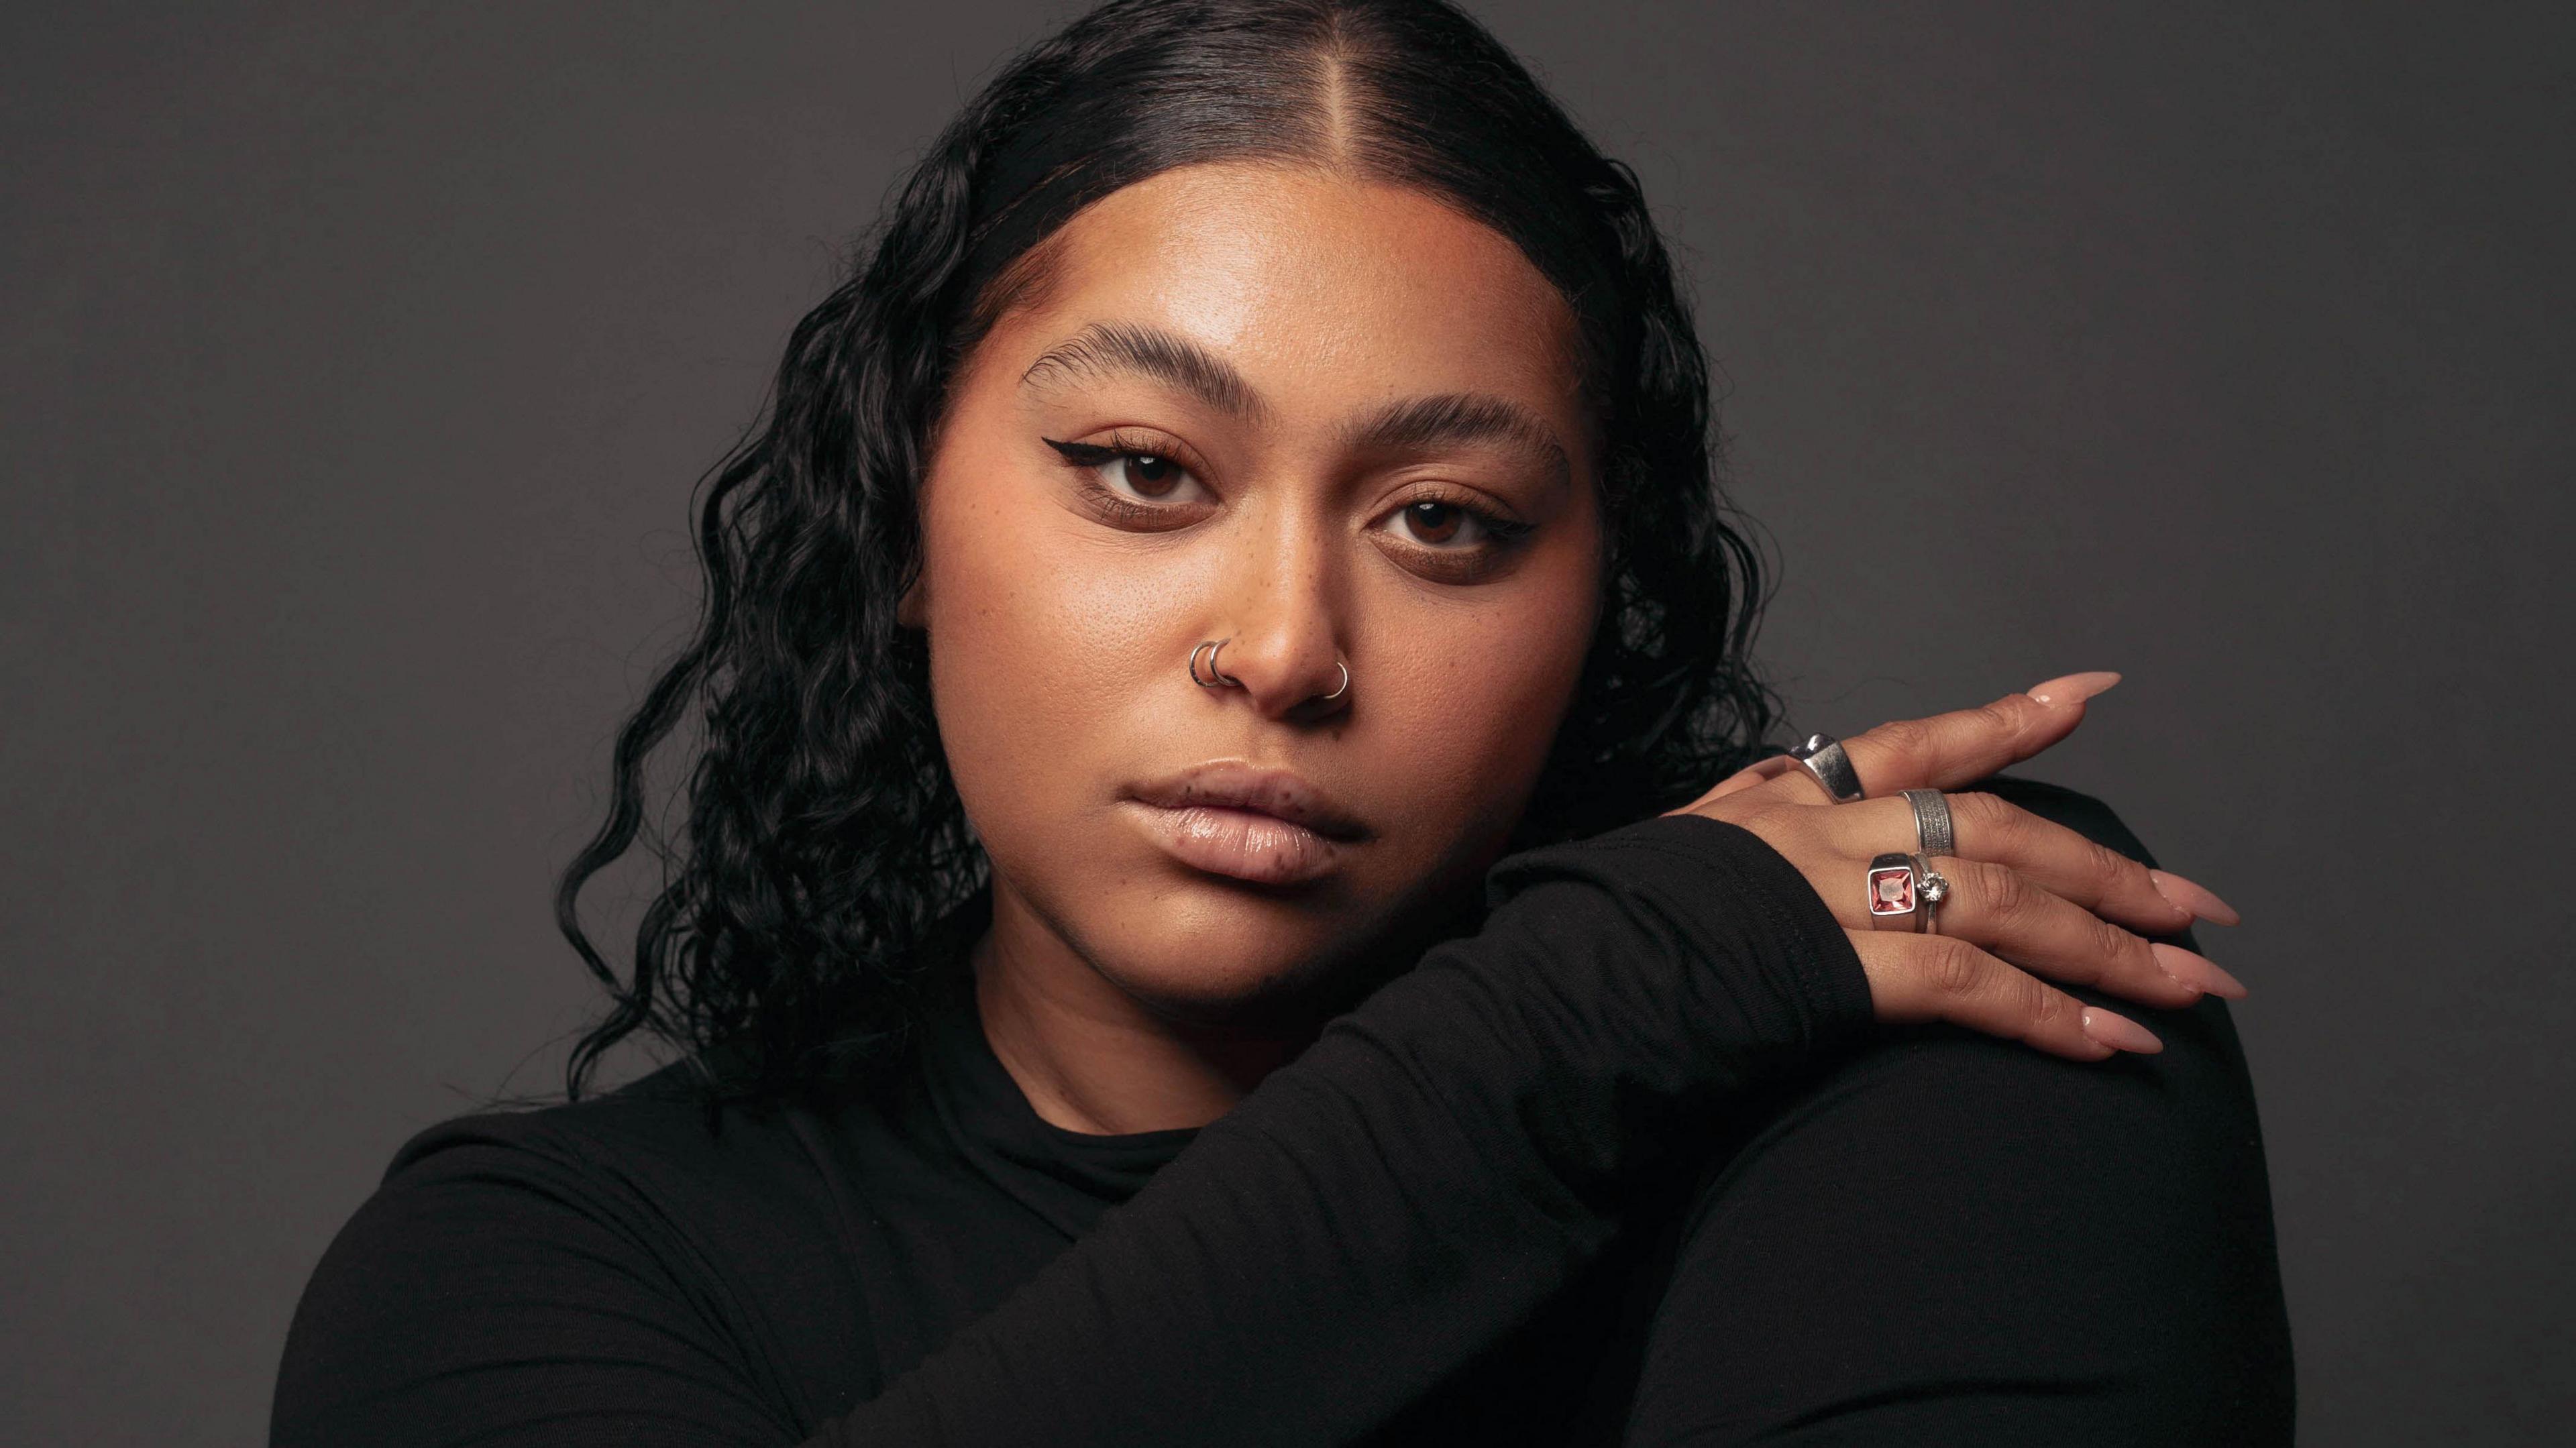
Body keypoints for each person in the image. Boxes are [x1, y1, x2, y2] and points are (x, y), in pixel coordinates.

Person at [268, 1, 2294, 1443]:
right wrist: (1587, 1002)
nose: (1284, 646)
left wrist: (1691, 973)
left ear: (1601, 602)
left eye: (1444, 521)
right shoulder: (535, 1273)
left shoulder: (1931, 980)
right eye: (1146, 470)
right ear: (901, 517)